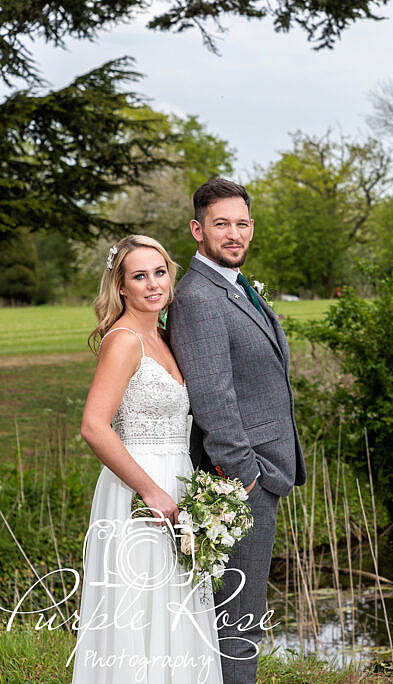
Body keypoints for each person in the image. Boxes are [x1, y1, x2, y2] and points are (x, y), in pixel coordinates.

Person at [167, 178, 306, 684]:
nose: (234, 233)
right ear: (197, 229)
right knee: (238, 616)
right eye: (221, 223)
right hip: (242, 480)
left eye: (241, 223)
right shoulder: (199, 298)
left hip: (260, 472)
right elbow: (212, 400)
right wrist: (245, 475)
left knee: (240, 608)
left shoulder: (233, 284)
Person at [73, 235, 222, 684]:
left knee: (174, 607)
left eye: (160, 272)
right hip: (139, 492)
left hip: (178, 482)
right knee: (139, 610)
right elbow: (94, 426)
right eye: (139, 276)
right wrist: (151, 491)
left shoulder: (162, 335)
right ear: (121, 286)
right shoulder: (123, 340)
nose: (153, 284)